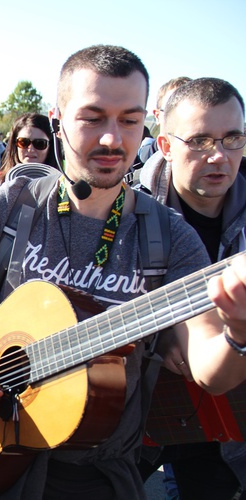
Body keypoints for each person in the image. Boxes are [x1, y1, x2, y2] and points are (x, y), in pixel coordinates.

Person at [0, 45, 246, 499]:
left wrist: (238, 331)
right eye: (93, 117)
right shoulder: (14, 204)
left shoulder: (172, 239)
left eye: (129, 119)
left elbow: (209, 372)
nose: (112, 139)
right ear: (58, 117)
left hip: (98, 477)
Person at [137, 77, 246, 499]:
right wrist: (159, 336)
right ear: (165, 145)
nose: (219, 155)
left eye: (232, 137)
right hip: (139, 405)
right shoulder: (123, 209)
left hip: (227, 416)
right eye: (200, 140)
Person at [0, 112, 60, 194]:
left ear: (51, 146)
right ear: (14, 144)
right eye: (23, 142)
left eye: (40, 143)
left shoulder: (62, 185)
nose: (31, 149)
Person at [137, 77, 191, 164]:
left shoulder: (213, 160)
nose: (182, 118)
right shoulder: (133, 162)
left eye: (189, 111)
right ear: (157, 116)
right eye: (172, 110)